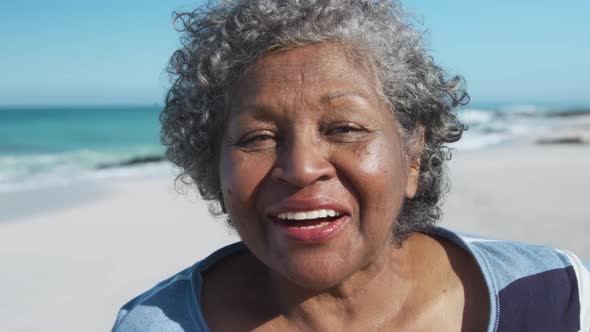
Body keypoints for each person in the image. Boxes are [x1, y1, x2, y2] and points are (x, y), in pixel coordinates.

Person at [112, 0, 590, 331]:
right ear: (212, 167)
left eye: (344, 128)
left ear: (414, 154)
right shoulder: (155, 324)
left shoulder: (556, 296)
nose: (300, 168)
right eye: (257, 137)